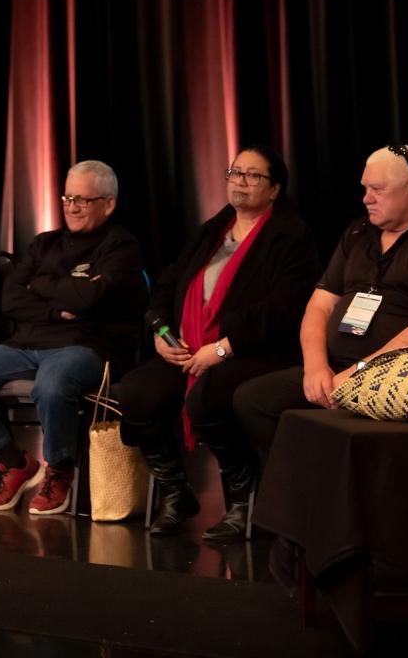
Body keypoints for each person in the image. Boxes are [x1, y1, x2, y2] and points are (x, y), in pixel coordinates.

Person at [116, 145, 319, 538]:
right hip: (191, 347)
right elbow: (169, 282)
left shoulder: (291, 236)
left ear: (274, 189)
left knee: (207, 397)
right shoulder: (213, 230)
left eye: (252, 175)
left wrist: (224, 347)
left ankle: (245, 500)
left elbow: (284, 308)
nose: (240, 181)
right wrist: (160, 330)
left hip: (256, 351)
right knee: (136, 391)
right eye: (235, 172)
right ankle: (176, 491)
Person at [233, 144, 408, 461]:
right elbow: (319, 306)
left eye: (377, 189)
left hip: (400, 379)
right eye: (365, 188)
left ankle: (329, 484)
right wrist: (315, 367)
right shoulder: (358, 232)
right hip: (336, 370)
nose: (366, 198)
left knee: (341, 426)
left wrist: (359, 374)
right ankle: (307, 487)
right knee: (253, 400)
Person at [0, 160, 148, 515]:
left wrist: (41, 285)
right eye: (68, 198)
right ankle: (12, 462)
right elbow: (10, 299)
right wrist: (58, 307)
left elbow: (88, 299)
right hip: (27, 343)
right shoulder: (44, 243)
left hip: (86, 345)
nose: (72, 207)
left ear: (108, 204)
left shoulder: (121, 247)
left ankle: (60, 470)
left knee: (52, 383)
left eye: (83, 200)